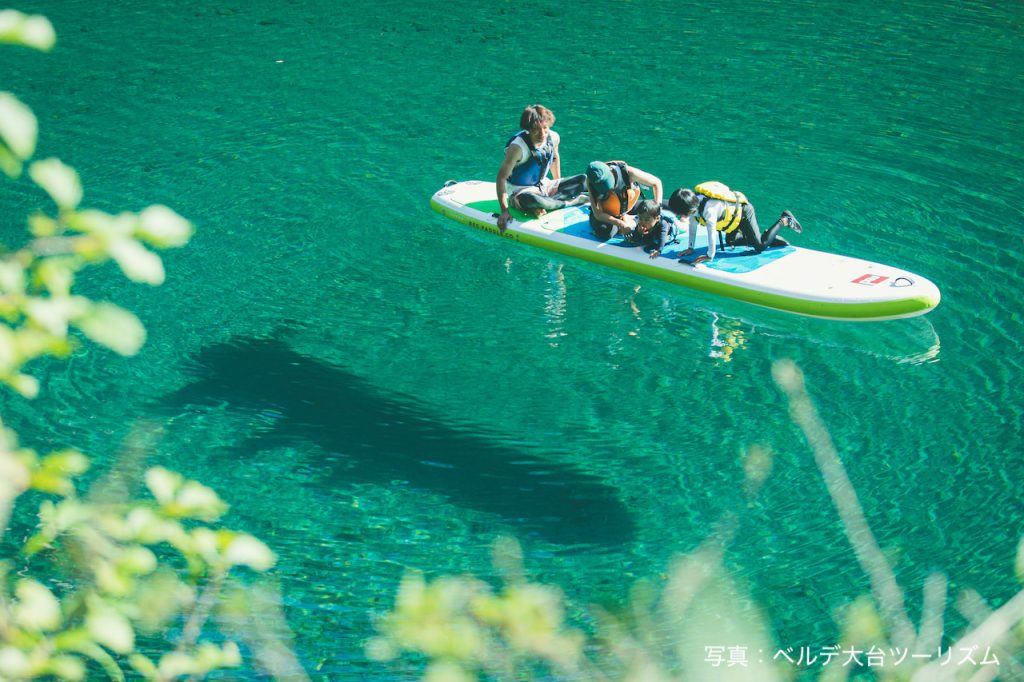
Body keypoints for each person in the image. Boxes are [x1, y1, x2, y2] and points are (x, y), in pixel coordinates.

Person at [496, 104, 588, 233]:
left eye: (545, 128)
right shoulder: (517, 148)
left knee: (584, 179)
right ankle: (570, 202)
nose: (542, 134)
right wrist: (504, 211)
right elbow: (501, 178)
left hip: (545, 185)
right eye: (536, 130)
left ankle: (547, 203)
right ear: (527, 129)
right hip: (521, 192)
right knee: (533, 200)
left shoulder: (553, 137)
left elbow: (554, 158)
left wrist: (559, 184)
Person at [668, 181, 803, 264]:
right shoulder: (693, 206)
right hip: (731, 222)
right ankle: (767, 237)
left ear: (687, 210)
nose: (679, 216)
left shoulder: (709, 210)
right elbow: (693, 227)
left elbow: (711, 233)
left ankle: (784, 220)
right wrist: (690, 248)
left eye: (679, 213)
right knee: (731, 242)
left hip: (744, 213)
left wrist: (709, 256)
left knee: (760, 247)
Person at [585, 160, 663, 241]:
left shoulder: (628, 172)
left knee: (651, 208)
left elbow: (656, 183)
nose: (609, 189)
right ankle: (630, 221)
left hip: (627, 207)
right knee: (605, 232)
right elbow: (598, 214)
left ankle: (630, 219)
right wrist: (621, 224)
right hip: (609, 214)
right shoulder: (590, 181)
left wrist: (658, 209)